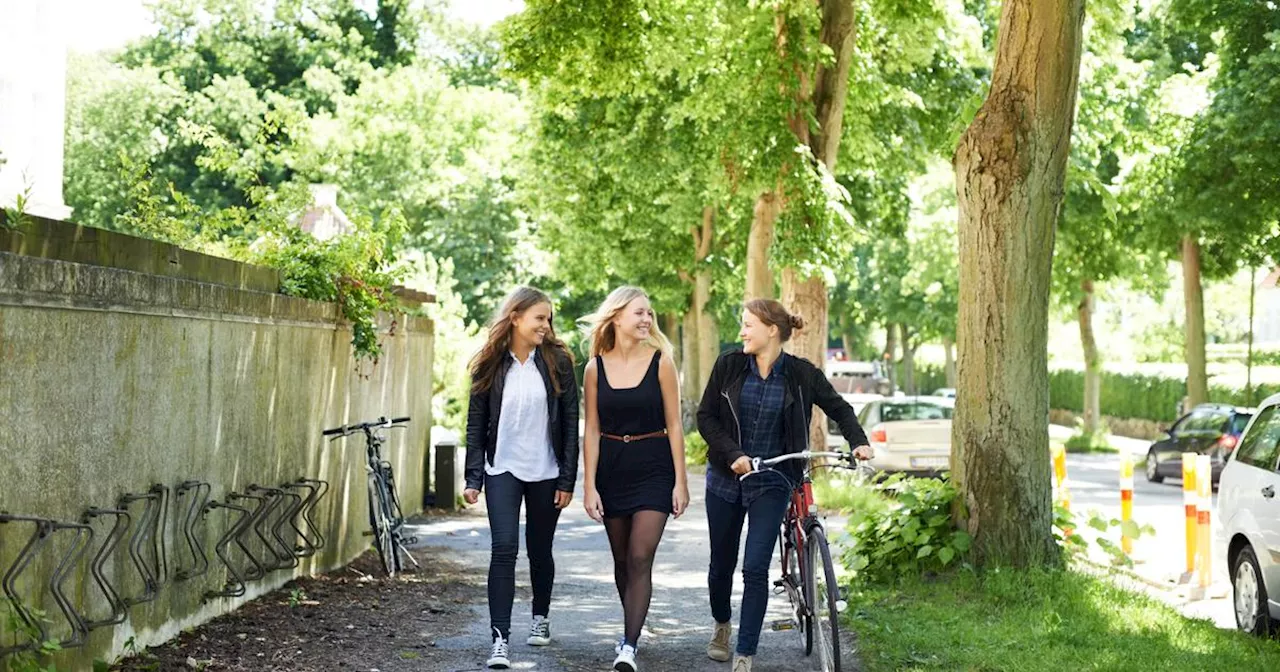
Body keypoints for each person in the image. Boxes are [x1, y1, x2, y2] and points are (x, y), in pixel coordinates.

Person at [696, 299, 873, 672]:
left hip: (774, 480)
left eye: (748, 325)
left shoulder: (802, 374)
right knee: (721, 565)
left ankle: (745, 653)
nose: (741, 331)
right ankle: (723, 625)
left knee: (755, 566)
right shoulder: (729, 366)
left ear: (771, 330)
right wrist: (732, 454)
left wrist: (858, 441)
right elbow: (706, 417)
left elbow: (839, 408)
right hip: (727, 479)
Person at [463, 286, 580, 670]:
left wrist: (567, 480)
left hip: (546, 471)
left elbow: (568, 423)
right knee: (504, 549)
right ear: (515, 317)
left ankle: (540, 617)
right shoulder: (491, 362)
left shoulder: (558, 361)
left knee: (540, 549)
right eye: (539, 318)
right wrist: (473, 477)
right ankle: (499, 641)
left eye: (548, 318)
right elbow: (476, 423)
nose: (546, 325)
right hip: (503, 469)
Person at [580, 286, 690, 672]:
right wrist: (589, 485)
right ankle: (633, 625)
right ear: (616, 317)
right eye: (638, 313)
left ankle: (628, 646)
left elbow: (675, 425)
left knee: (641, 555)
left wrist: (681, 480)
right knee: (623, 560)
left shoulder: (661, 362)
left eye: (649, 314)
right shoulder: (595, 367)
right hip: (612, 467)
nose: (646, 320)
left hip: (654, 465)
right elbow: (591, 430)